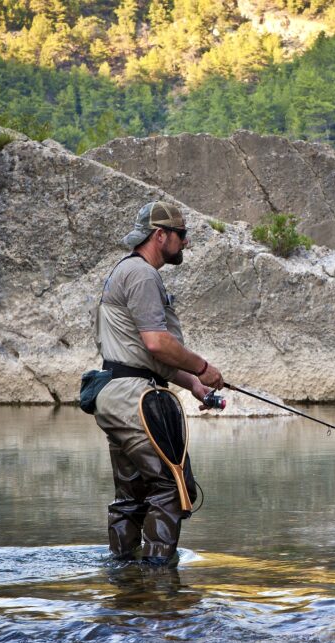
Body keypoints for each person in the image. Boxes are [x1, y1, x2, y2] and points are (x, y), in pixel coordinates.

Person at [92, 201, 224, 567]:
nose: (186, 243)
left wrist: (193, 386)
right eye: (181, 236)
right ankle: (158, 583)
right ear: (160, 235)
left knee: (132, 494)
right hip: (135, 400)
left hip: (117, 394)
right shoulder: (143, 274)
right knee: (170, 487)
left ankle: (124, 577)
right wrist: (203, 368)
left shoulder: (126, 272)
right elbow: (157, 343)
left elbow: (144, 356)